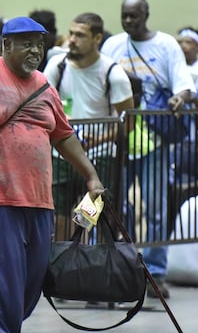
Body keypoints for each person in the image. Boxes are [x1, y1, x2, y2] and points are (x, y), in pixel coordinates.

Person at [0, 16, 105, 333]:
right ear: (7, 45)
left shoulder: (44, 85)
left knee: (28, 292)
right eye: (27, 43)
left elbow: (63, 135)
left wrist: (91, 176)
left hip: (39, 203)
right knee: (5, 293)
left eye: (40, 44)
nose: (36, 50)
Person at [100, 0, 197, 298]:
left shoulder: (166, 45)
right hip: (118, 139)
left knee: (155, 208)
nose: (129, 22)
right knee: (111, 207)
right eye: (124, 16)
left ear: (146, 15)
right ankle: (110, 267)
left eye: (135, 16)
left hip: (152, 141)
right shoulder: (112, 45)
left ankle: (155, 272)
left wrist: (180, 98)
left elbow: (185, 85)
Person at [43, 13, 134, 240]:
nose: (72, 39)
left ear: (97, 38)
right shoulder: (58, 65)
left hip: (99, 157)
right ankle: (63, 266)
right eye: (71, 33)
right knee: (59, 218)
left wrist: (98, 140)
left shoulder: (113, 73)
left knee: (92, 218)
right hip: (61, 155)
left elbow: (128, 123)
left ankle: (94, 263)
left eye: (80, 35)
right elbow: (41, 106)